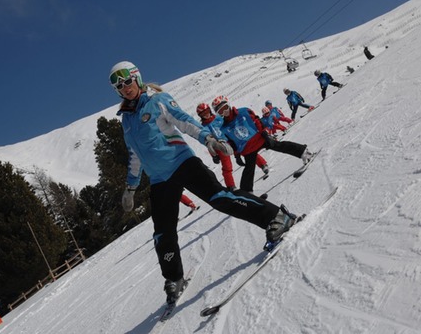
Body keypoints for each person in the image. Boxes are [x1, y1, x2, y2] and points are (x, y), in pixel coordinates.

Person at [110, 61, 300, 305]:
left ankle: (277, 217)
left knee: (221, 199)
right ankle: (174, 278)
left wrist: (207, 138)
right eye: (119, 86)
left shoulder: (157, 101)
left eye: (127, 81)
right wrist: (130, 188)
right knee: (162, 233)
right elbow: (135, 156)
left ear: (137, 78)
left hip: (182, 163)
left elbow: (184, 121)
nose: (125, 88)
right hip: (159, 180)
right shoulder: (126, 121)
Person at [211, 95, 314, 194]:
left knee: (279, 145)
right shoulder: (224, 127)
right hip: (247, 149)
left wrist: (264, 134)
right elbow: (232, 142)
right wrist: (237, 155)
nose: (224, 112)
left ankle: (304, 152)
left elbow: (257, 121)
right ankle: (246, 192)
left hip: (259, 139)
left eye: (225, 108)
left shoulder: (243, 112)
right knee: (249, 169)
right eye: (220, 111)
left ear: (228, 105)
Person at [196, 103, 268, 190]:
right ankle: (231, 186)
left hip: (231, 140)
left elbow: (229, 122)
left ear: (210, 110)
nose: (206, 115)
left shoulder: (218, 118)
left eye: (207, 111)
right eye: (203, 114)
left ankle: (263, 164)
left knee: (247, 150)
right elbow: (208, 142)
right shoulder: (203, 127)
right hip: (220, 146)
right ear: (200, 116)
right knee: (227, 166)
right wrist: (214, 155)